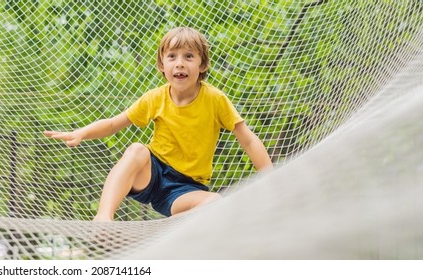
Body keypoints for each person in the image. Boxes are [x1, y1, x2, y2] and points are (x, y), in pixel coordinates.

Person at [44, 27, 273, 221]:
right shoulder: (155, 97)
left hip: (185, 188)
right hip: (152, 174)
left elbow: (249, 140)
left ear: (202, 65)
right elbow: (114, 124)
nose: (180, 63)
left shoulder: (216, 100)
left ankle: (171, 232)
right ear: (162, 65)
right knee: (136, 150)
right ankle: (103, 217)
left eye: (189, 56)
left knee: (215, 202)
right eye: (172, 56)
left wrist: (271, 178)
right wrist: (81, 133)